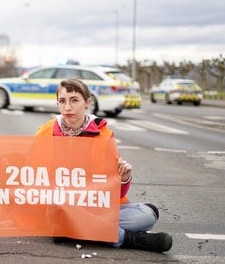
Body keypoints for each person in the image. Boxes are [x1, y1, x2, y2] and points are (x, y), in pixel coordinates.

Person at [35, 79, 173, 253]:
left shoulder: (104, 136)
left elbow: (112, 193)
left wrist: (124, 178)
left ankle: (78, 230)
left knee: (148, 214)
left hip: (95, 209)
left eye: (74, 100)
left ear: (87, 102)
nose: (68, 107)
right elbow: (33, 179)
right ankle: (129, 239)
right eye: (62, 101)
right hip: (59, 207)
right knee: (62, 211)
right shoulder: (45, 133)